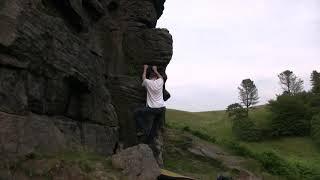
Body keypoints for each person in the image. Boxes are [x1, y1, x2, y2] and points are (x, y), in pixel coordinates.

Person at [134, 65, 166, 143]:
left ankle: (144, 130)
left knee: (137, 113)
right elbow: (161, 77)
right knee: (155, 127)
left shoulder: (148, 82)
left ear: (150, 77)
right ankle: (150, 141)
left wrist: (145, 68)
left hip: (152, 108)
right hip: (162, 109)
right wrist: (156, 70)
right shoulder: (160, 81)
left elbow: (143, 78)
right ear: (156, 77)